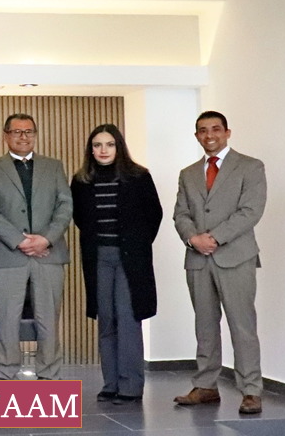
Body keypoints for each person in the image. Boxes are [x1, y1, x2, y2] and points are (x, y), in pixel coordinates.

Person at [172, 111, 267, 414]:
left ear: (228, 132)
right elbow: (181, 213)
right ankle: (206, 386)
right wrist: (192, 238)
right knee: (205, 325)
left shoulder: (250, 167)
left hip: (235, 257)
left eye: (215, 129)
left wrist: (214, 237)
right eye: (202, 130)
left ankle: (251, 390)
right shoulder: (188, 173)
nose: (209, 135)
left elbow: (251, 210)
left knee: (242, 325)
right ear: (196, 135)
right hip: (198, 260)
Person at [70, 124, 162, 403]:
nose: (103, 150)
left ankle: (131, 385)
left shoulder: (138, 176)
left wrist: (137, 245)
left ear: (118, 146)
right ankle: (110, 382)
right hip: (98, 257)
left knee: (128, 317)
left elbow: (153, 215)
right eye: (97, 145)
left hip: (130, 259)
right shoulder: (81, 180)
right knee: (106, 318)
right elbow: (80, 219)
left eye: (109, 144)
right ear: (91, 149)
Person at [0, 113, 72, 381]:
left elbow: (65, 205)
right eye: (17, 132)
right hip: (7, 255)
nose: (23, 137)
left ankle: (49, 375)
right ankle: (6, 375)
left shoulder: (53, 166)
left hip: (49, 254)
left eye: (29, 131)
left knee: (49, 322)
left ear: (35, 134)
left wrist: (46, 238)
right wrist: (20, 241)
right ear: (6, 135)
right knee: (7, 321)